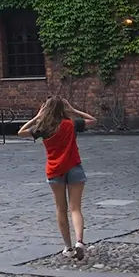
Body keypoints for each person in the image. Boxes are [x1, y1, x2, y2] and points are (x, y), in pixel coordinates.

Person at [18, 95, 97, 260]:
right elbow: (93, 120)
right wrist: (73, 110)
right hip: (74, 168)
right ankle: (80, 242)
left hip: (55, 171)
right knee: (75, 208)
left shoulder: (43, 128)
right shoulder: (71, 124)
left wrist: (37, 117)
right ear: (63, 108)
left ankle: (68, 247)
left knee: (61, 209)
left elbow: (20, 132)